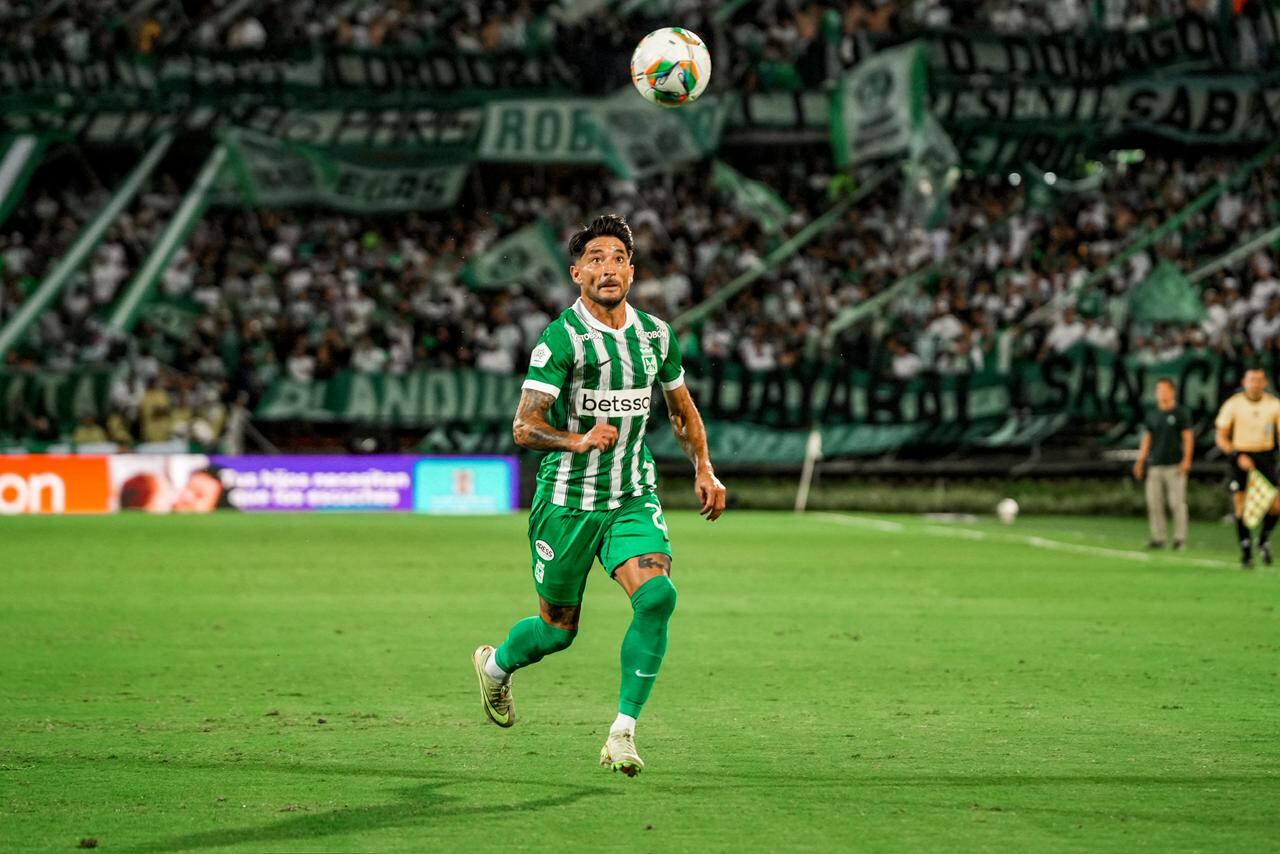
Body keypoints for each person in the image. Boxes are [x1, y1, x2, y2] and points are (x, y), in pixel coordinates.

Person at [471, 214, 727, 777]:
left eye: (617, 258)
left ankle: (622, 732)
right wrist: (577, 439)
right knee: (557, 632)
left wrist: (703, 468)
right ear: (576, 274)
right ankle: (496, 668)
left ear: (631, 272)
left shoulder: (657, 335)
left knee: (658, 597)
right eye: (595, 259)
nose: (607, 267)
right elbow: (524, 426)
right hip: (565, 502)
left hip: (631, 494)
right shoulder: (561, 339)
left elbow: (681, 411)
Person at [1214, 367, 1280, 568]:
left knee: (1276, 504)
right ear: (1244, 382)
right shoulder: (1234, 405)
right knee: (1241, 506)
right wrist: (1236, 454)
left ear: (1265, 382)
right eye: (1252, 380)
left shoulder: (1274, 405)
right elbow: (1221, 436)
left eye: (1259, 380)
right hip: (1240, 455)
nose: (1255, 384)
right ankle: (1246, 551)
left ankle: (1263, 540)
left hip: (1265, 456)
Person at [1132, 378, 1193, 550]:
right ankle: (1158, 538)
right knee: (1154, 503)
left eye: (1165, 390)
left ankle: (1180, 539)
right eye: (1159, 390)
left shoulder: (1181, 413)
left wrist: (1187, 460)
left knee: (1177, 503)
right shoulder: (1152, 414)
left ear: (1172, 391)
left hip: (1175, 465)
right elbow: (1147, 439)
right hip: (1155, 465)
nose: (1161, 393)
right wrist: (1140, 460)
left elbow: (1188, 437)